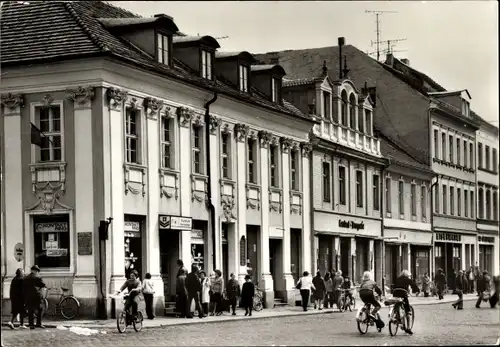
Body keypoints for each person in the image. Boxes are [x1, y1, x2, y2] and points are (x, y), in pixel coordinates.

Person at [393, 270, 420, 335]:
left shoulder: (398, 278)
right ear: (407, 275)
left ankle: (397, 316)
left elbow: (394, 285)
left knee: (397, 303)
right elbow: (413, 285)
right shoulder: (408, 279)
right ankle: (408, 328)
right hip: (403, 293)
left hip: (395, 292)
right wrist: (417, 291)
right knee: (407, 310)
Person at [23, 265, 46, 329]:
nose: (37, 272)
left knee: (30, 310)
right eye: (37, 271)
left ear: (31, 270)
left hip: (28, 296)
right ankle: (38, 323)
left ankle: (31, 325)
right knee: (40, 309)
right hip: (36, 296)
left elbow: (23, 288)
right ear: (35, 271)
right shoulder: (37, 278)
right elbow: (43, 285)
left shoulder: (25, 278)